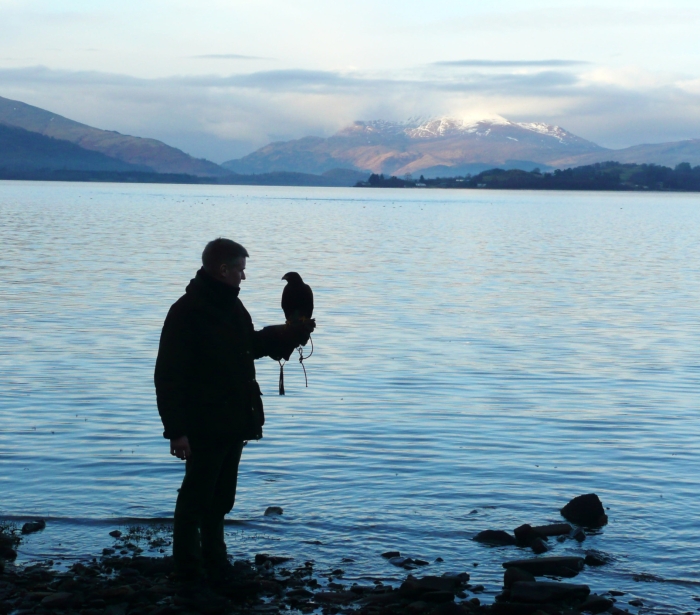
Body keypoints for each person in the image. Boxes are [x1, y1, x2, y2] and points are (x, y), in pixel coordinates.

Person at [154, 238, 313, 585]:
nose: (244, 276)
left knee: (221, 498)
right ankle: (188, 574)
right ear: (223, 270)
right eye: (240, 269)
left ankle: (215, 562)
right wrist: (176, 430)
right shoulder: (187, 311)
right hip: (204, 423)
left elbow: (250, 346)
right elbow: (167, 375)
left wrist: (289, 335)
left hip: (234, 421)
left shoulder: (232, 307)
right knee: (196, 499)